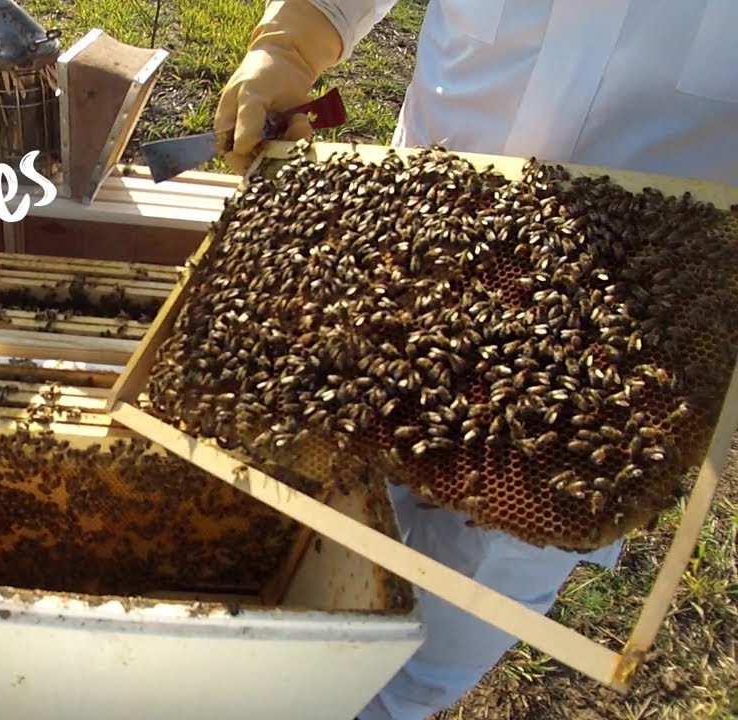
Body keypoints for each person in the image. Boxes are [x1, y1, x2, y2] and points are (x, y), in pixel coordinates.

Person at [212, 2, 738, 719]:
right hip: (417, 244)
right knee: (306, 523)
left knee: (446, 620)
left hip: (618, 330)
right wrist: (294, 38)